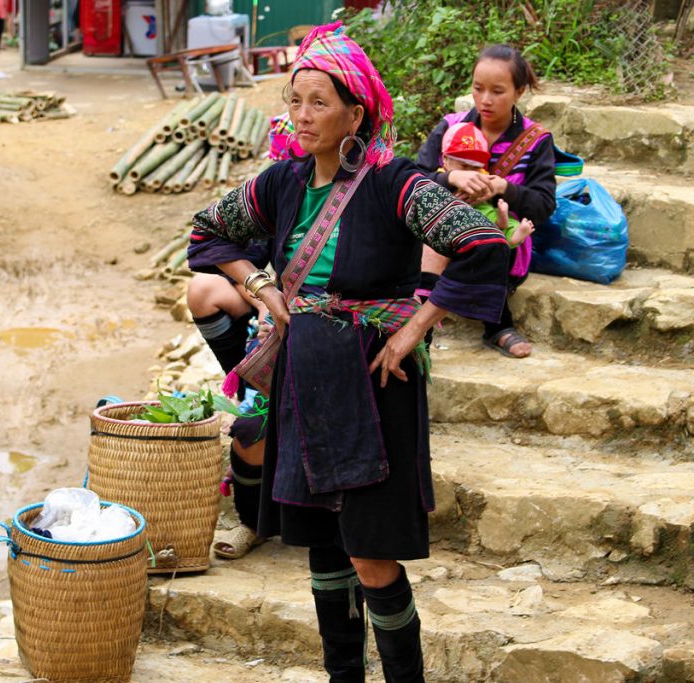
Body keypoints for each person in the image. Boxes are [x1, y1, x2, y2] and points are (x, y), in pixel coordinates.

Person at [188, 22, 509, 683]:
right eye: (295, 100)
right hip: (306, 378)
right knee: (324, 550)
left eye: (319, 103)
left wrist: (414, 327)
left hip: (373, 379)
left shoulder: (399, 184)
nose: (301, 116)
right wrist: (255, 281)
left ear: (355, 112)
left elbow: (483, 244)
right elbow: (209, 232)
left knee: (371, 555)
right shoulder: (280, 183)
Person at [416, 45, 556, 359]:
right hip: (440, 232)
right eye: (478, 89)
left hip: (504, 239)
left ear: (519, 92)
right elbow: (413, 179)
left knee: (483, 237)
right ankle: (420, 330)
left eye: (498, 91)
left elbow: (544, 205)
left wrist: (503, 187)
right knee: (438, 233)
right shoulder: (452, 127)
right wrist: (451, 179)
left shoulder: (535, 141)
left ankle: (495, 324)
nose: (485, 100)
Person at [187, 242, 271, 560]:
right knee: (203, 288)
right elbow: (226, 257)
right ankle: (252, 522)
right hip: (276, 312)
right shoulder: (284, 194)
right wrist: (266, 300)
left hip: (330, 320)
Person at [440, 121, 535, 248]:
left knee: (510, 220)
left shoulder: (482, 173)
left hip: (486, 208)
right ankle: (499, 227)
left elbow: (491, 188)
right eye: (463, 166)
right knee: (481, 221)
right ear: (445, 159)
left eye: (475, 167)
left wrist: (495, 188)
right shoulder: (440, 175)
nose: (470, 172)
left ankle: (511, 233)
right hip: (463, 216)